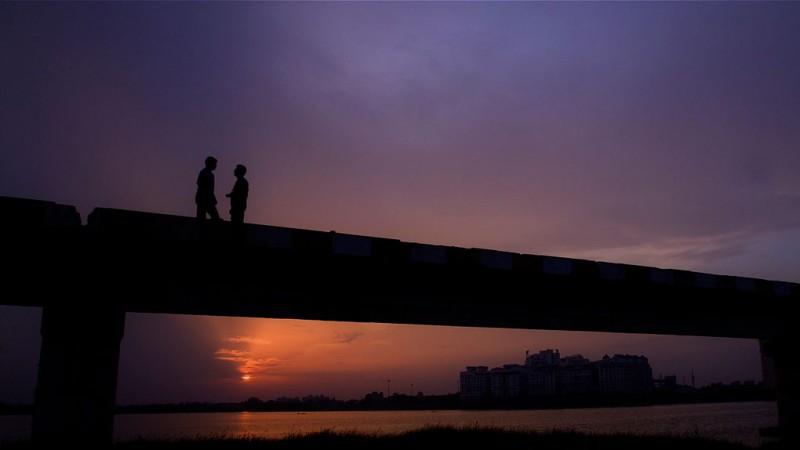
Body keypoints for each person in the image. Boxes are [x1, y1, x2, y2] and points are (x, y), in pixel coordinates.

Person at [195, 156, 220, 221]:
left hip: (206, 198)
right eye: (215, 164)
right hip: (203, 198)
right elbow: (200, 183)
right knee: (204, 217)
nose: (216, 166)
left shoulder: (210, 174)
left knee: (213, 216)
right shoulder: (205, 172)